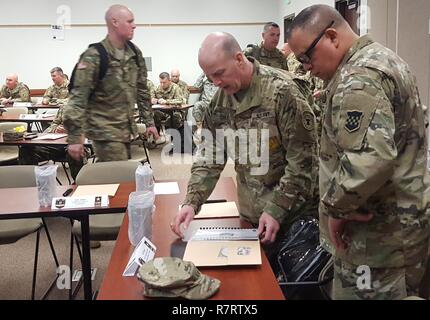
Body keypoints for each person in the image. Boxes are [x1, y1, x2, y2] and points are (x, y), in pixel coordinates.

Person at [287, 4, 430, 299]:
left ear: (331, 37)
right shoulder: (381, 59)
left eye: (306, 56)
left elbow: (369, 160)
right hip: (397, 224)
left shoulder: (359, 77)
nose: (304, 67)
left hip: (380, 237)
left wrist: (337, 209)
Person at [172, 32, 319, 264]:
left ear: (239, 59)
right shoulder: (218, 104)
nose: (216, 83)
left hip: (294, 218)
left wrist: (276, 209)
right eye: (210, 77)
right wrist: (192, 201)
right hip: (252, 216)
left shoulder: (283, 92)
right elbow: (210, 157)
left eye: (219, 73)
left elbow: (304, 163)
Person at [63, 4, 158, 162]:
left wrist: (149, 122)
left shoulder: (134, 53)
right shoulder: (94, 56)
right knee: (118, 177)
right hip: (105, 132)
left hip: (126, 130)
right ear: (114, 22)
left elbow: (142, 90)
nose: (134, 25)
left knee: (117, 179)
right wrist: (74, 137)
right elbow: (78, 98)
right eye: (129, 21)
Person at [18, 105, 87, 181]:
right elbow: (54, 124)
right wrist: (55, 129)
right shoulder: (65, 107)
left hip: (81, 144)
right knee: (26, 149)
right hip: (57, 144)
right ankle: (30, 182)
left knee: (75, 151)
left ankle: (78, 183)